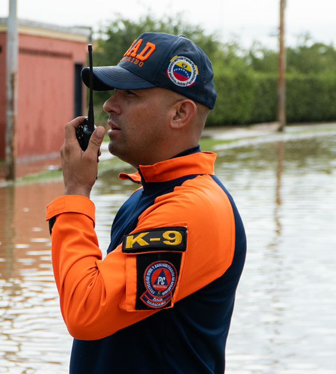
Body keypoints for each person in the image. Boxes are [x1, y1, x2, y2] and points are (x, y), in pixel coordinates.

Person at [46, 32, 246, 373]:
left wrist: (76, 193)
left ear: (181, 114)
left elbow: (87, 311)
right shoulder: (146, 196)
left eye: (130, 94)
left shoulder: (190, 210)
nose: (110, 105)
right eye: (113, 92)